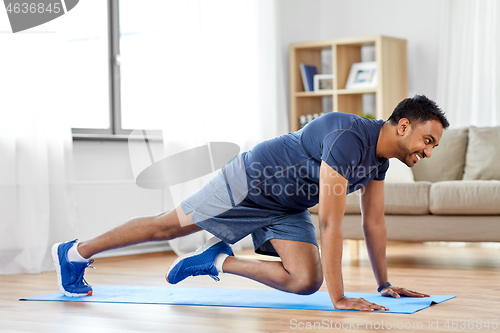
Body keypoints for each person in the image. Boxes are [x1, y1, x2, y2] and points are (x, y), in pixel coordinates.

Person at [52, 95, 449, 311]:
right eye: (427, 141)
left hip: (286, 204)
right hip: (250, 181)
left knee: (307, 280)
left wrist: (383, 284)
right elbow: (330, 224)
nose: (428, 152)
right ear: (402, 126)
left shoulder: (379, 161)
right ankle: (75, 252)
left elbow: (373, 224)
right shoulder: (349, 137)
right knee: (168, 225)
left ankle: (216, 261)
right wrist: (340, 299)